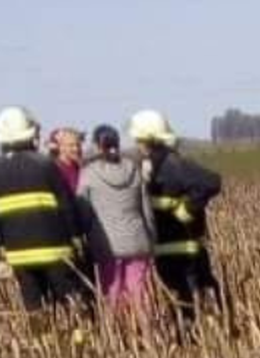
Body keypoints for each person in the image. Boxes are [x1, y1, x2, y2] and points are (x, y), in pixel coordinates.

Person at [129, 109, 225, 326]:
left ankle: (195, 336)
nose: (137, 145)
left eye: (139, 140)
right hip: (170, 246)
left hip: (182, 247)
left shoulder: (171, 164)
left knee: (187, 299)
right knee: (183, 300)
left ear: (147, 139)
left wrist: (187, 209)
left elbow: (211, 181)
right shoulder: (151, 166)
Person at [0, 107, 93, 314]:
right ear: (29, 134)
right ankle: (79, 339)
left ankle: (41, 341)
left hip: (19, 254)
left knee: (34, 306)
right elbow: (66, 206)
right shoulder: (45, 165)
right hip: (54, 251)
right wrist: (76, 237)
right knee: (71, 301)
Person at [77, 124, 155, 320]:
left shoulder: (89, 174)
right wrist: (151, 239)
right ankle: (144, 333)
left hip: (106, 245)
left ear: (97, 145)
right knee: (139, 293)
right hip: (137, 242)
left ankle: (116, 335)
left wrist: (84, 238)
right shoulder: (134, 170)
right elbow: (146, 210)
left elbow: (82, 210)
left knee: (111, 292)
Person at [48, 127, 84, 194]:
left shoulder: (79, 168)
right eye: (71, 145)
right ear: (61, 147)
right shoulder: (53, 169)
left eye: (78, 145)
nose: (76, 149)